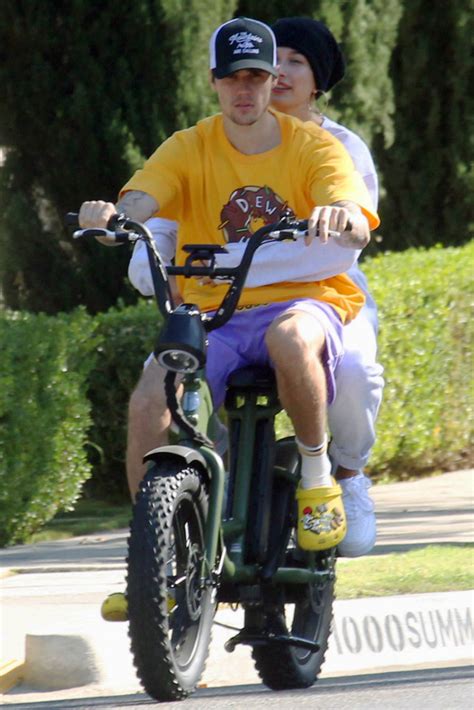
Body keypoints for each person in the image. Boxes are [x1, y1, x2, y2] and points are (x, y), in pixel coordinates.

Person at [80, 17, 379, 620]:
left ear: (271, 83)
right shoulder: (188, 145)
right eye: (231, 78)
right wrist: (113, 217)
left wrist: (342, 214)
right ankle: (149, 563)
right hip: (212, 313)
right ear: (214, 82)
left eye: (256, 77)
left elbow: (348, 205)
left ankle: (319, 478)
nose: (245, 90)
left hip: (300, 301)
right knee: (150, 398)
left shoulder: (317, 146)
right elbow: (143, 199)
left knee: (294, 340)